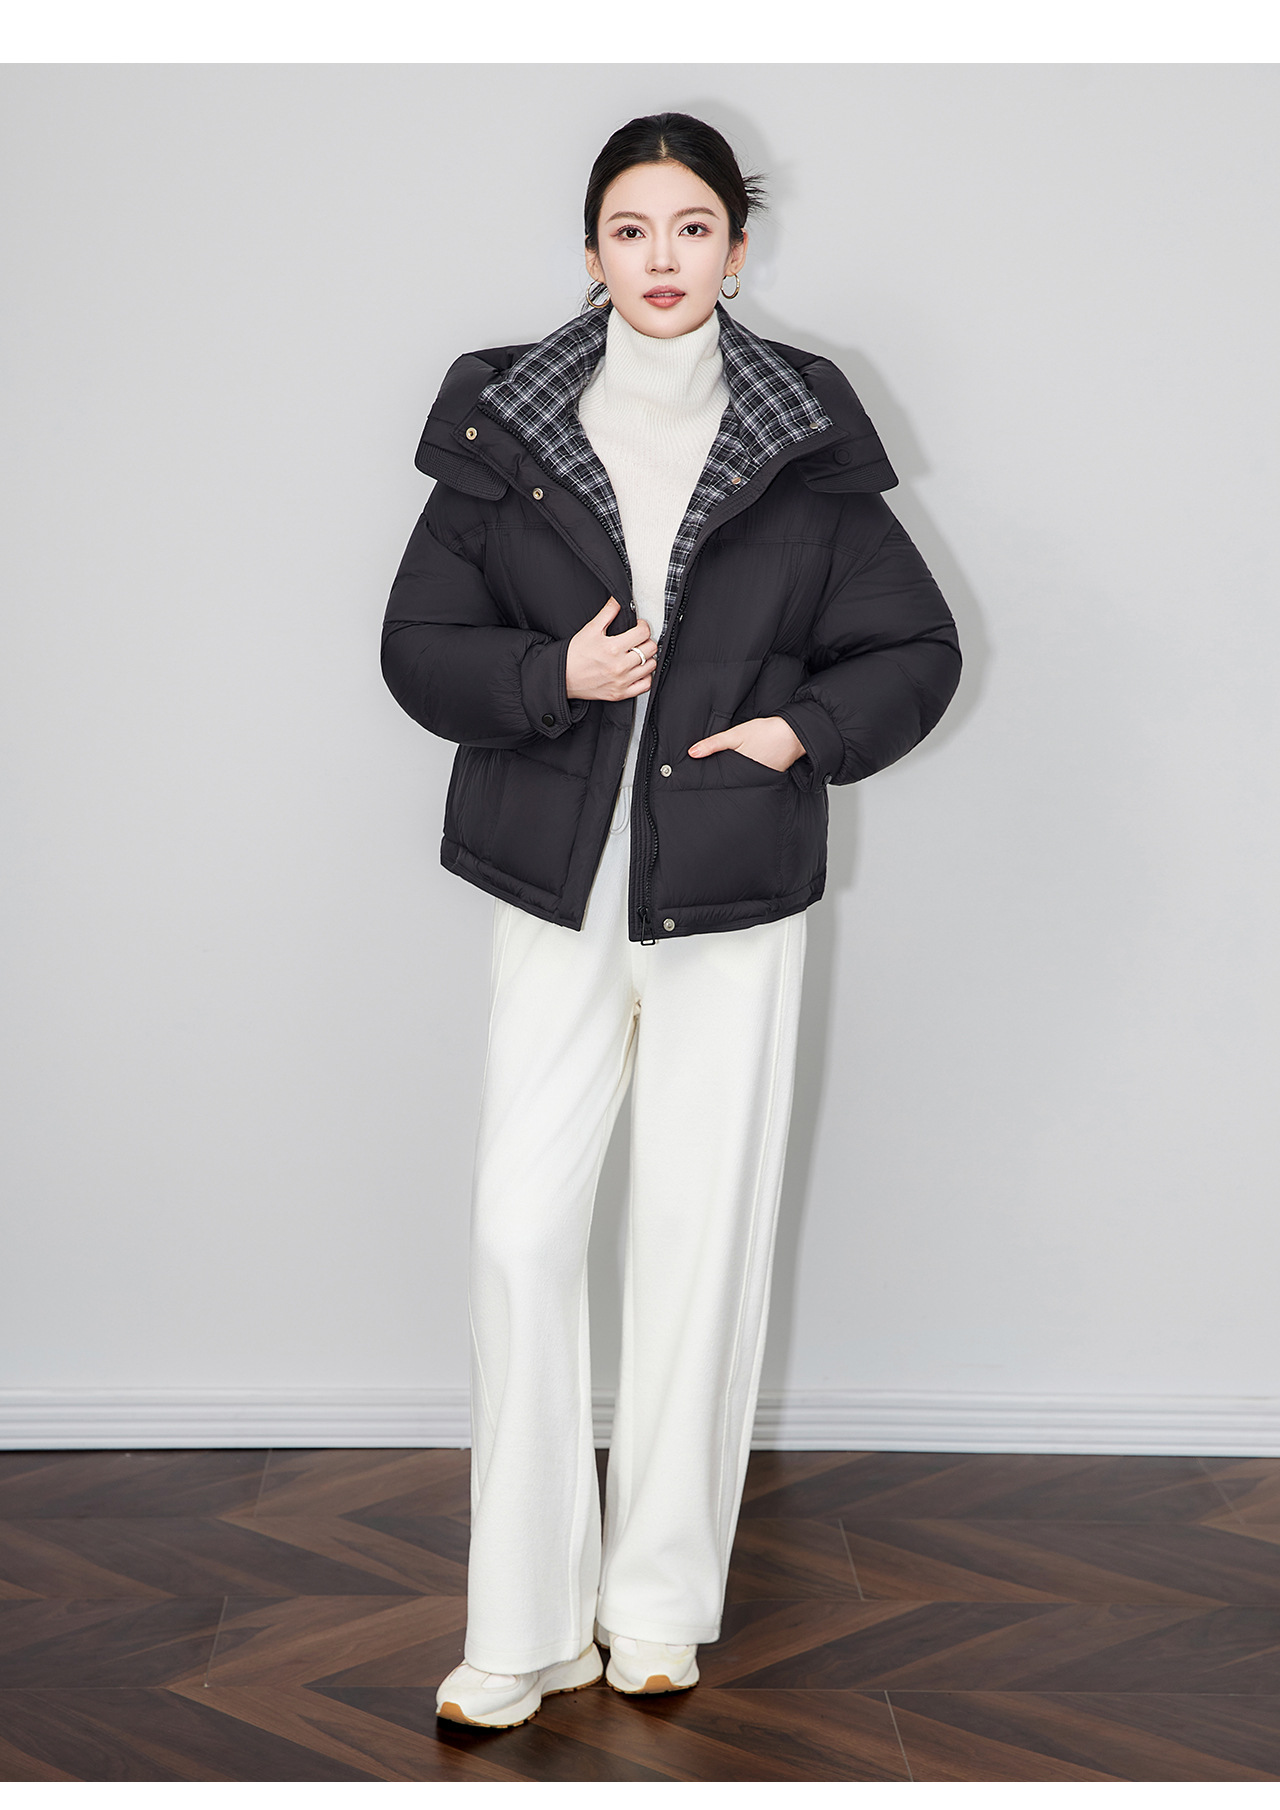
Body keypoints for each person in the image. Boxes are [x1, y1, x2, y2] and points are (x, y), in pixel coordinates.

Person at [381, 111, 962, 1730]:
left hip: (731, 893)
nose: (661, 256)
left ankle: (651, 1609)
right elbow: (416, 644)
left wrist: (799, 734)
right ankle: (522, 1626)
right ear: (590, 252)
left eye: (692, 226)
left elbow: (915, 650)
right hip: (553, 886)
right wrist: (547, 675)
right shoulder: (509, 425)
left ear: (736, 250)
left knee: (700, 1240)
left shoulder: (799, 438)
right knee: (520, 1233)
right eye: (631, 228)